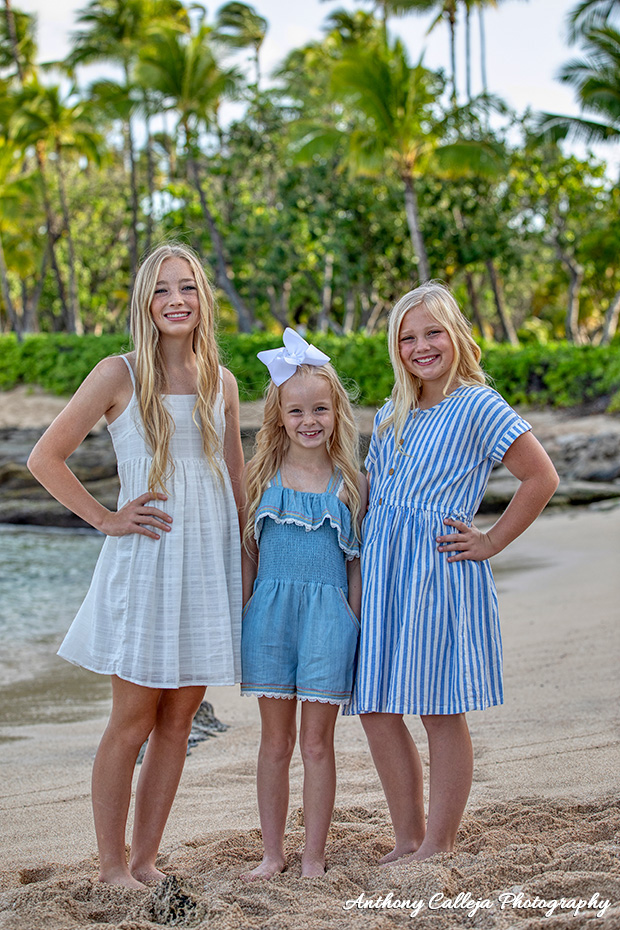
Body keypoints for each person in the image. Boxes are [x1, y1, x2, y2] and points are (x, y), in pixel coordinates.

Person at [27, 243, 243, 888]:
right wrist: (106, 517)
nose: (176, 301)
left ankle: (146, 861)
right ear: (145, 304)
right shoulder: (116, 374)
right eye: (161, 290)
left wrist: (249, 567)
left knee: (179, 721)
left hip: (207, 566)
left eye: (188, 289)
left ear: (204, 299)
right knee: (132, 719)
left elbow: (234, 481)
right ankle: (112, 866)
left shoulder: (222, 381)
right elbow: (46, 458)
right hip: (148, 564)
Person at [344, 281, 559, 863]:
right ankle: (408, 837)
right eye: (408, 337)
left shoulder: (479, 406)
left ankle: (438, 843)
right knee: (375, 705)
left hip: (438, 571)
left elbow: (541, 479)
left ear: (457, 336)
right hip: (385, 570)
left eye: (433, 332)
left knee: (439, 708)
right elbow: (372, 495)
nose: (421, 346)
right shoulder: (391, 411)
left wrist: (490, 540)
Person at [239, 329, 367, 880]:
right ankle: (273, 854)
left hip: (328, 624)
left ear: (337, 413)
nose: (309, 420)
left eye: (320, 409)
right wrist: (241, 612)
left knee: (317, 744)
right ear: (279, 416)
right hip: (267, 620)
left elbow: (356, 565)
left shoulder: (351, 485)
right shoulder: (260, 478)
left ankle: (313, 857)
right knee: (275, 743)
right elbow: (247, 552)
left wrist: (354, 621)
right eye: (297, 411)